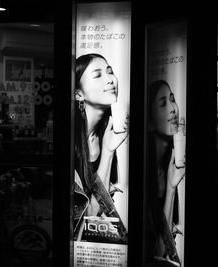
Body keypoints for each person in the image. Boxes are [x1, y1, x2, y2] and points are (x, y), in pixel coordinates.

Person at [73, 53, 129, 243]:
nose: (110, 80)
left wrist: (109, 149)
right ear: (78, 94)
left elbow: (105, 209)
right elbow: (91, 215)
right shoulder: (71, 142)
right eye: (98, 75)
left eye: (110, 72)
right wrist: (107, 152)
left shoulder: (109, 133)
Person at [145, 80, 185, 267]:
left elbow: (164, 248)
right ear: (150, 123)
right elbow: (157, 251)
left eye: (172, 99)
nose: (172, 109)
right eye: (163, 103)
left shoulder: (175, 163)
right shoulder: (143, 168)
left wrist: (171, 188)